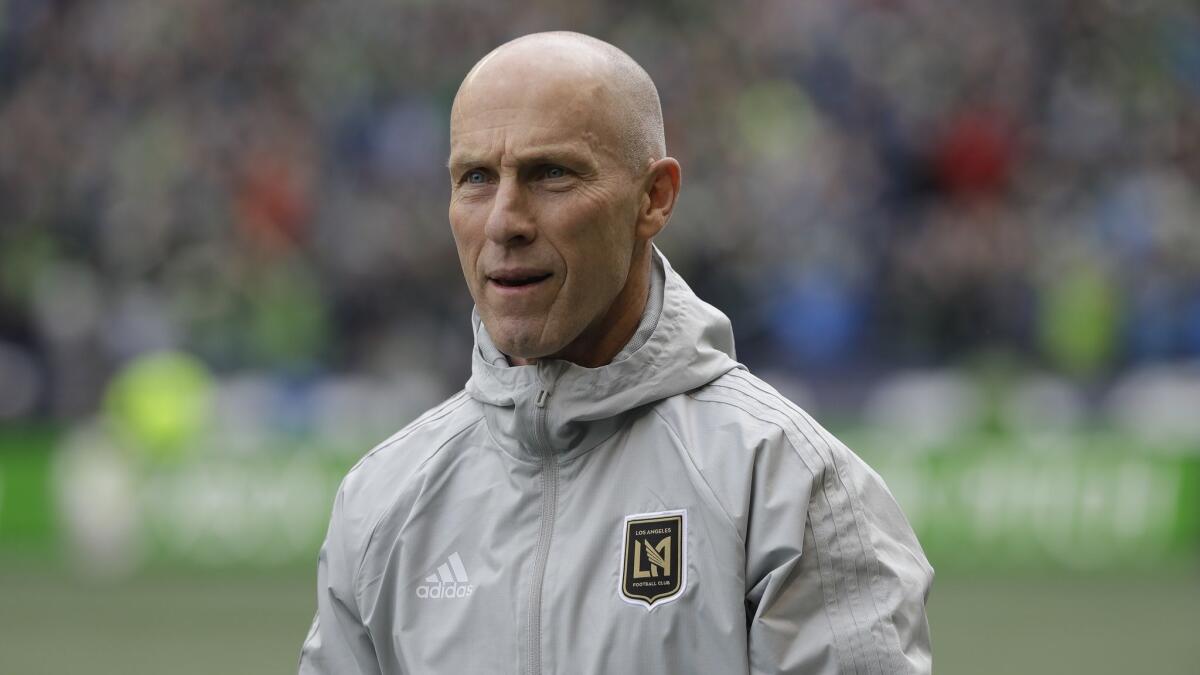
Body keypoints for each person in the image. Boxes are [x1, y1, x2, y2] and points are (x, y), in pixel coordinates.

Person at [299, 31, 932, 675]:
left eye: (551, 173)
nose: (504, 221)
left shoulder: (784, 484)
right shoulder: (381, 502)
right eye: (476, 178)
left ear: (654, 198)